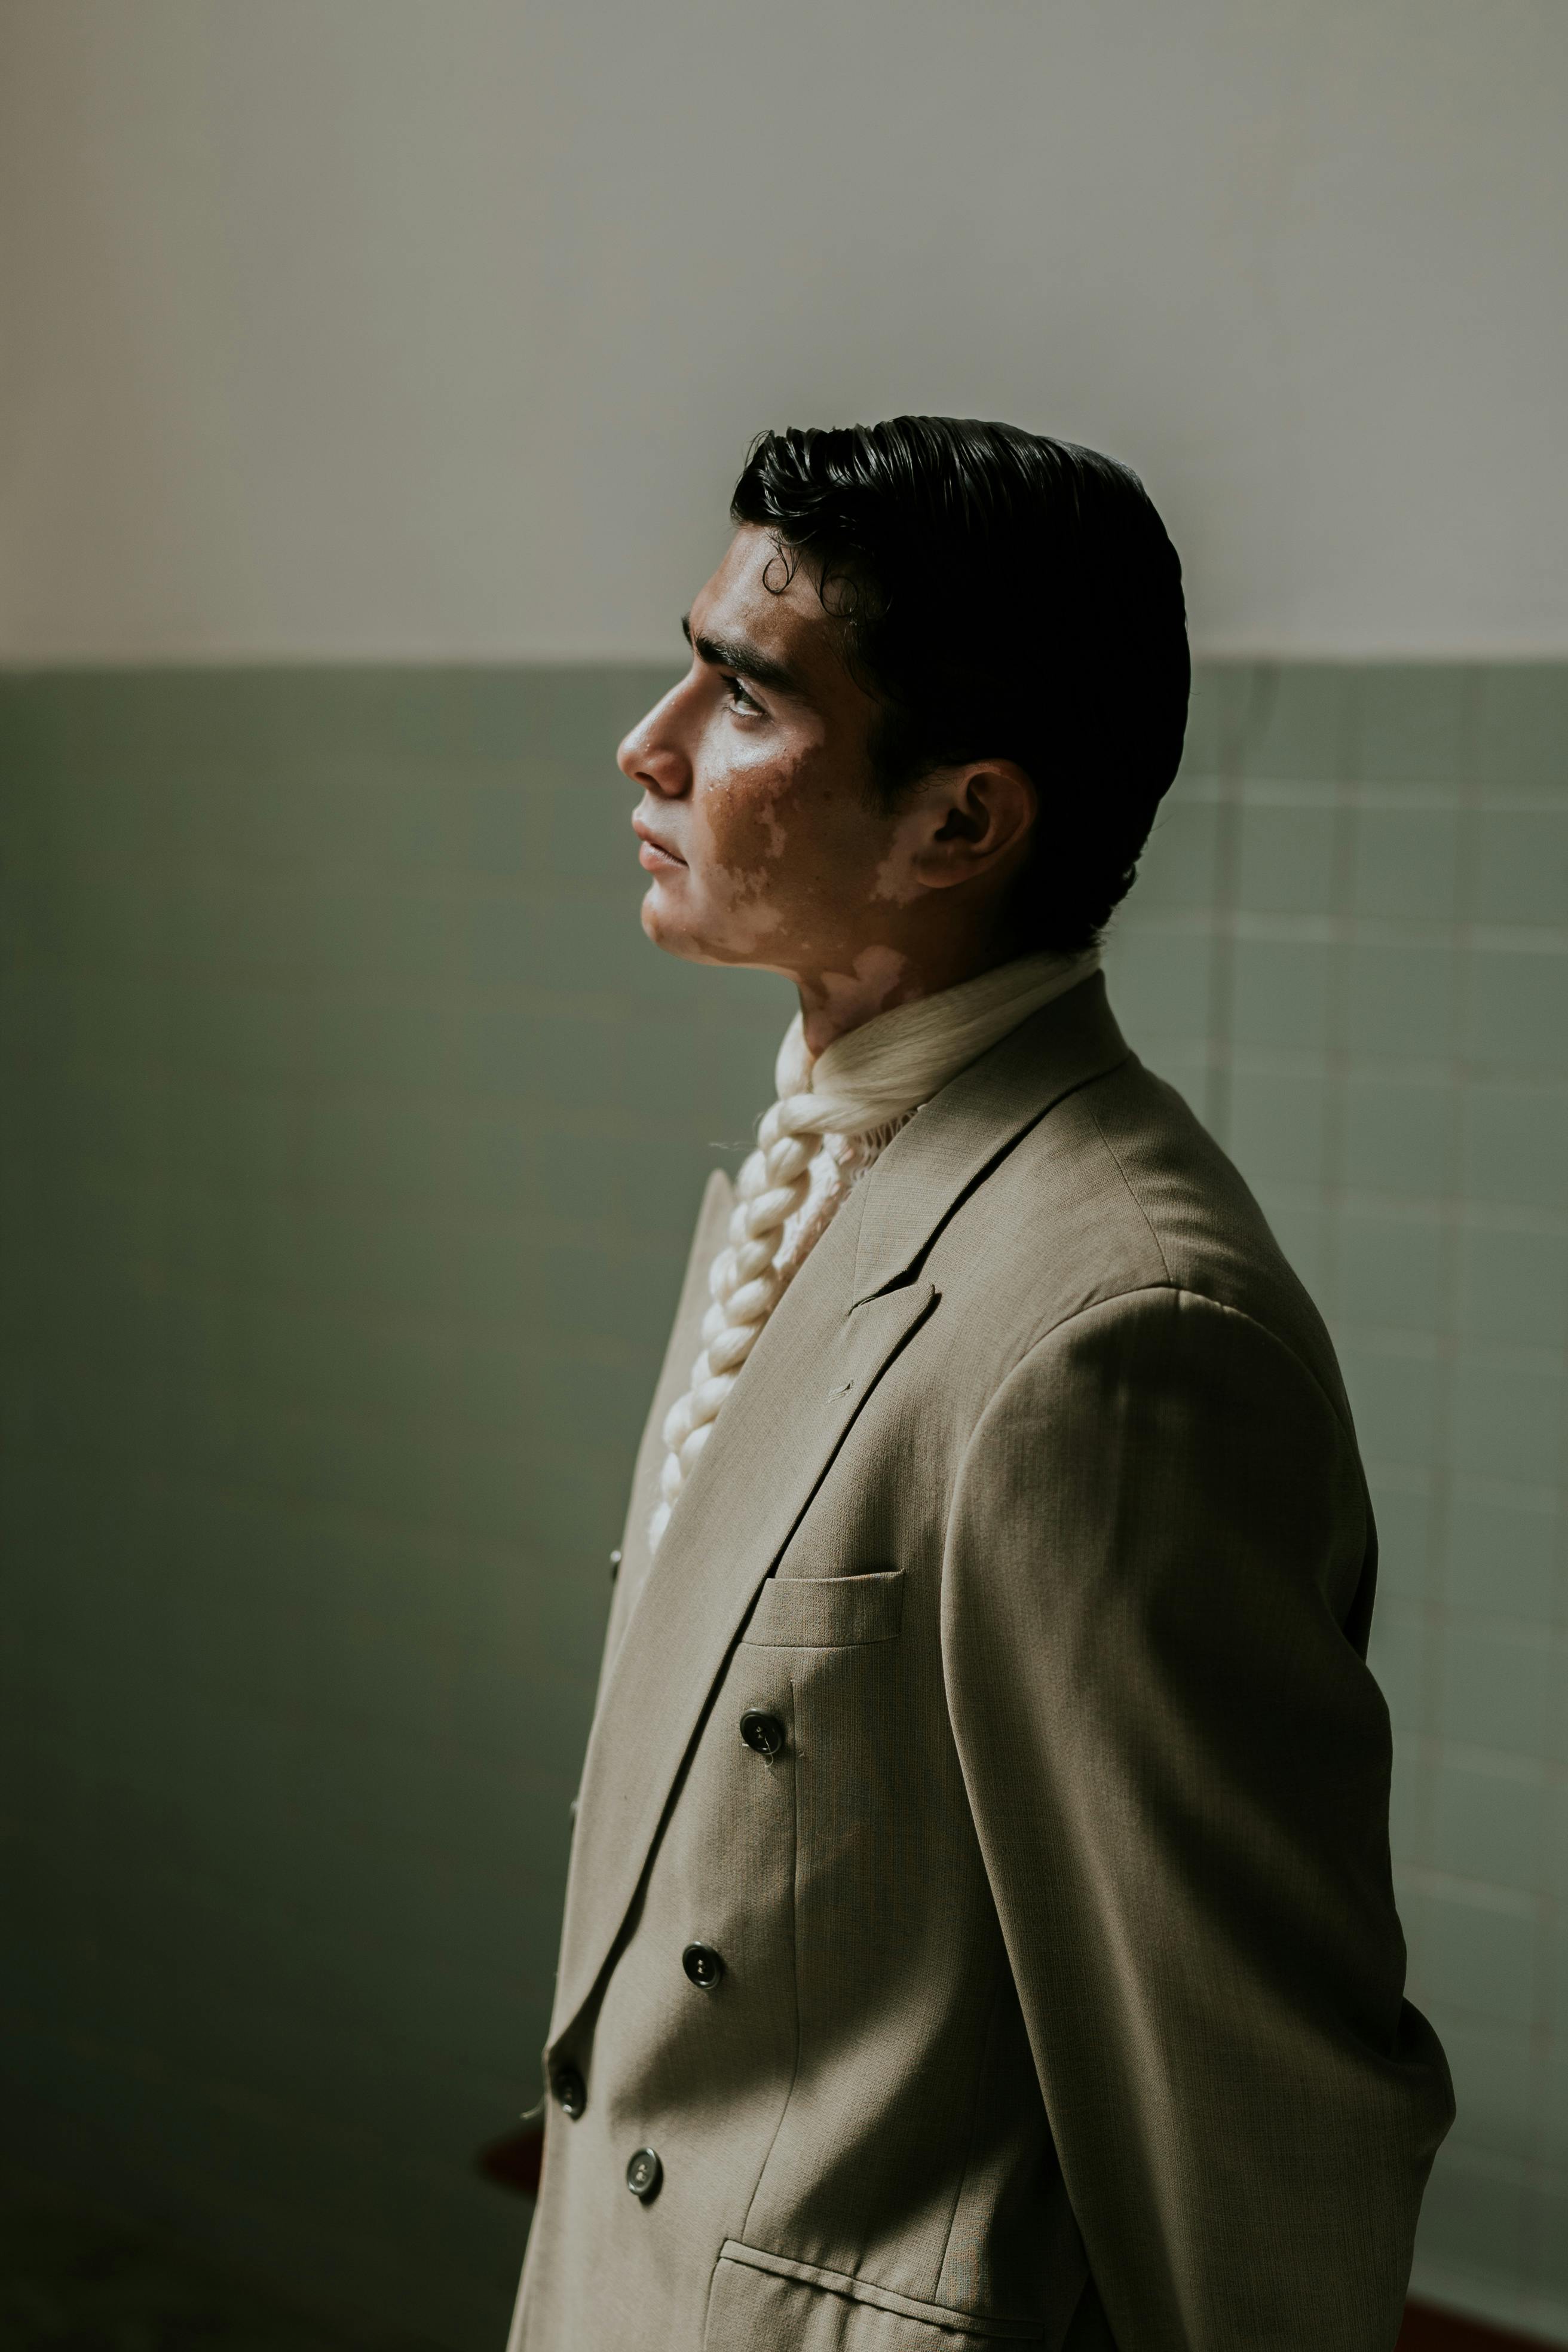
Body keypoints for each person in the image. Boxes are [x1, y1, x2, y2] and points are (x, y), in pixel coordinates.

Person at [507, 418, 1452, 2352]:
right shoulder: (817, 1177)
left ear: (961, 822)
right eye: (689, 659)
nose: (652, 741)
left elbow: (1260, 2126)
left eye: (748, 695)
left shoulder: (1118, 1330)